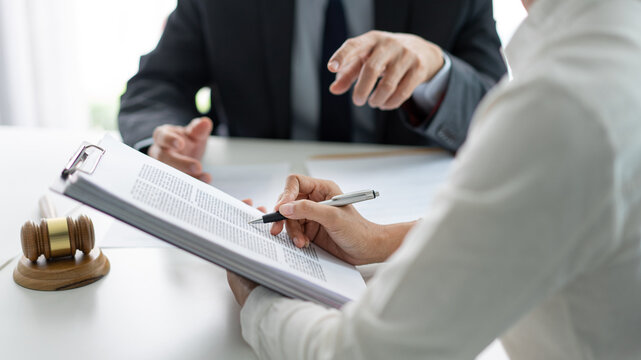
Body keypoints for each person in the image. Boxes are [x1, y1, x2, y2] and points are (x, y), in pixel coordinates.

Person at [227, 0, 641, 358]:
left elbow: (369, 354)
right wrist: (378, 241)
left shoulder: (564, 104)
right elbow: (551, 220)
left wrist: (261, 297)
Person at [118, 0, 506, 183]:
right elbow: (156, 84)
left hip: (400, 221)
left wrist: (437, 70)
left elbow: (502, 120)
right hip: (253, 206)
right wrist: (162, 142)